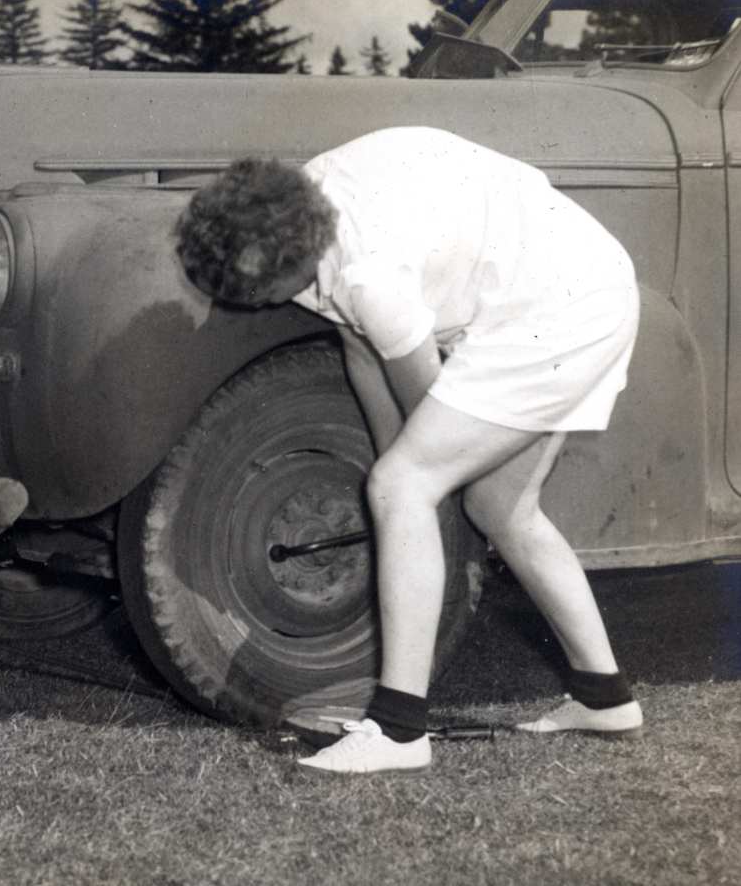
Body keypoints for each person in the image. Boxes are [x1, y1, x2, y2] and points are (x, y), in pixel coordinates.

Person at [173, 126, 643, 775]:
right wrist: (395, 471)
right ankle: (605, 695)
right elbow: (363, 348)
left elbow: (424, 401)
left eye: (260, 297)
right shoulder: (300, 207)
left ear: (289, 264)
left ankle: (397, 728)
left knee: (406, 486)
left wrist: (402, 496)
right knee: (498, 507)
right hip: (564, 281)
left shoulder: (370, 272)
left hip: (564, 304)